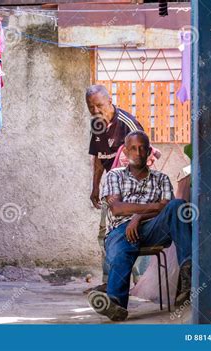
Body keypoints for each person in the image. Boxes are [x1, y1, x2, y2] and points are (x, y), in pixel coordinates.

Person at [88, 131, 192, 321]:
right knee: (122, 251)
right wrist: (153, 207)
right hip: (121, 229)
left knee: (177, 205)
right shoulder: (114, 176)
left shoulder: (161, 179)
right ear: (126, 152)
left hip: (153, 229)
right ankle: (116, 304)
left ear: (149, 151)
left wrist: (137, 216)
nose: (138, 152)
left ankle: (188, 274)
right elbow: (118, 209)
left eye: (143, 148)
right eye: (133, 148)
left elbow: (167, 208)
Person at [85, 85, 144, 293]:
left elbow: (145, 159)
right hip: (110, 191)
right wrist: (95, 188)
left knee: (130, 233)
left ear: (110, 102)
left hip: (131, 191)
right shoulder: (97, 126)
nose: (96, 111)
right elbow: (99, 160)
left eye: (99, 105)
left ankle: (136, 282)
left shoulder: (128, 123)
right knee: (105, 235)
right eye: (91, 107)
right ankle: (110, 281)